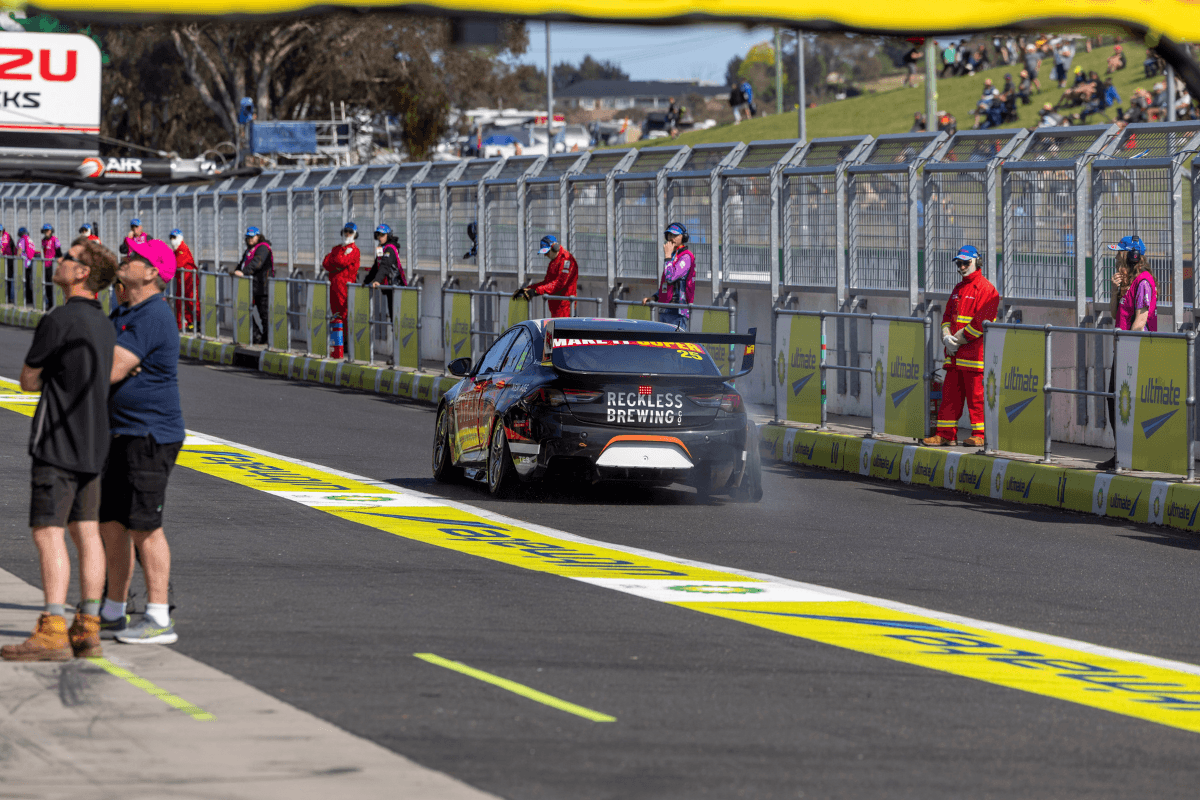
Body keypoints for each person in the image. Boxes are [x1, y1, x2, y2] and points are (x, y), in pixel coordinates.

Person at [1, 238, 117, 662]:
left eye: (69, 258)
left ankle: (52, 626)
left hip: (57, 440)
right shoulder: (105, 324)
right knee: (87, 531)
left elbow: (28, 380)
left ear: (82, 273)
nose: (61, 261)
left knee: (48, 530)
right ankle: (88, 627)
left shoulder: (59, 319)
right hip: (95, 441)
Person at [98, 238, 186, 645]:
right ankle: (113, 611)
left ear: (152, 273)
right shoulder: (124, 311)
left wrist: (107, 362)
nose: (127, 258)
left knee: (145, 526)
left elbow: (108, 369)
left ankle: (158, 616)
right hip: (120, 431)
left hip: (148, 435)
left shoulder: (152, 315)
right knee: (112, 523)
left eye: (136, 256)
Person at [922, 245, 1000, 448]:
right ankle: (945, 435)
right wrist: (946, 335)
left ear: (977, 262)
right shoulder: (958, 289)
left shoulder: (987, 290)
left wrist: (958, 339)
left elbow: (982, 322)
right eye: (959, 263)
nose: (962, 267)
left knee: (977, 399)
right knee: (949, 398)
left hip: (974, 356)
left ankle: (980, 435)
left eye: (966, 263)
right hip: (955, 356)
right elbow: (947, 316)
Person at [1097, 236, 1156, 470]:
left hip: (1134, 350)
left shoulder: (1143, 281)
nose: (1115, 258)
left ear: (1132, 257)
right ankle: (1121, 452)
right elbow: (1115, 313)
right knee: (1115, 400)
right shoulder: (1128, 283)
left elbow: (1140, 321)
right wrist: (1115, 290)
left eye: (1119, 254)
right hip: (1123, 348)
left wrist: (1127, 350)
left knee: (1127, 403)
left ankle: (1133, 455)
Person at [642, 222, 695, 330]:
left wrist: (667, 256)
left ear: (683, 237)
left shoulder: (686, 257)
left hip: (678, 310)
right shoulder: (672, 256)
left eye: (675, 235)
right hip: (665, 308)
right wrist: (654, 297)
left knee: (676, 340)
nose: (671, 238)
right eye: (669, 235)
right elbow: (666, 283)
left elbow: (670, 277)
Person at [514, 234, 579, 318]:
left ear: (554, 247)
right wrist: (528, 289)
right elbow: (547, 282)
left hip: (565, 308)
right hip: (556, 307)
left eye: (547, 252)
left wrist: (536, 291)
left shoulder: (567, 260)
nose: (545, 255)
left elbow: (559, 284)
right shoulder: (554, 261)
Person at [322, 222, 360, 359]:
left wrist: (336, 262)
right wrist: (337, 262)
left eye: (350, 232)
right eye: (345, 231)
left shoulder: (354, 250)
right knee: (336, 315)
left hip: (345, 287)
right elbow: (326, 263)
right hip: (334, 286)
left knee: (345, 315)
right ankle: (338, 345)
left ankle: (347, 344)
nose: (347, 234)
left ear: (355, 234)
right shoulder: (337, 248)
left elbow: (341, 262)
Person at [232, 226, 273, 344]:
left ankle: (267, 338)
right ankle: (256, 336)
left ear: (258, 237)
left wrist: (243, 273)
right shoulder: (249, 250)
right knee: (243, 309)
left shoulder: (263, 248)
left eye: (252, 237)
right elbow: (242, 264)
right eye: (248, 237)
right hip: (250, 286)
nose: (250, 239)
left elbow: (257, 263)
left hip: (262, 286)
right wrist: (236, 271)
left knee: (264, 314)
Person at [363, 223, 405, 321]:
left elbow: (385, 266)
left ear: (388, 235)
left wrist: (377, 280)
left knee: (396, 317)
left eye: (382, 235)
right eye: (378, 235)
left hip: (396, 286)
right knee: (393, 316)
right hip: (390, 287)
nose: (380, 237)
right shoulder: (382, 248)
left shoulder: (389, 249)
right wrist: (367, 280)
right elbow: (376, 266)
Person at [169, 229, 197, 331]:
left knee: (191, 302)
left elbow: (178, 264)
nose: (172, 240)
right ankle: (182, 324)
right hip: (181, 280)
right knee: (180, 302)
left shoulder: (182, 249)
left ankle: (196, 323)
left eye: (174, 237)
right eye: (171, 237)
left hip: (189, 280)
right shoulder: (176, 249)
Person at [40, 224, 61, 309]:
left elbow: (59, 252)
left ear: (51, 231)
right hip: (46, 265)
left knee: (53, 285)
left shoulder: (55, 239)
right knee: (47, 285)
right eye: (45, 231)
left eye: (48, 230)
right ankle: (50, 303)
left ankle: (55, 303)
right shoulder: (43, 240)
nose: (47, 232)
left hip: (53, 265)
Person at [17, 226, 36, 305]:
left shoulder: (22, 239)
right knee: (29, 281)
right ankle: (30, 298)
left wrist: (16, 258)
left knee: (23, 282)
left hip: (24, 263)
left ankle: (26, 298)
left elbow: (20, 250)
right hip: (30, 263)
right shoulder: (30, 239)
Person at [1, 224, 14, 304]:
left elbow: (12, 246)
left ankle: (8, 297)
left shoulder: (7, 236)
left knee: (8, 279)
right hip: (3, 260)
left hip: (8, 260)